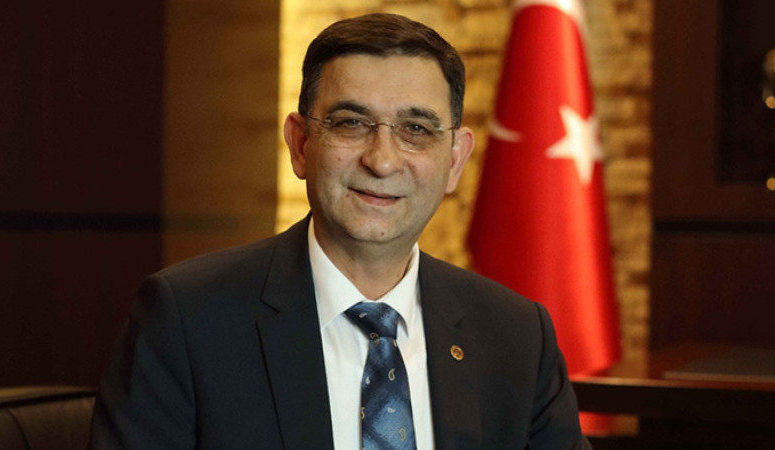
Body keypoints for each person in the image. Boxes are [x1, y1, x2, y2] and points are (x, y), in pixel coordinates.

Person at [90, 13, 591, 450]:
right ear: (301, 145)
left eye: (416, 130)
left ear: (455, 161)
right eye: (352, 123)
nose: (382, 160)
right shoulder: (186, 321)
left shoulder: (518, 338)